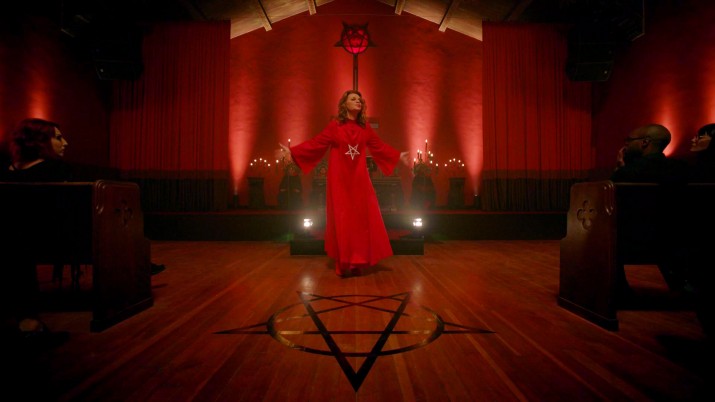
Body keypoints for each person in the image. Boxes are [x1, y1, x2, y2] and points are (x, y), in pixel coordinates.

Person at [278, 90, 409, 277]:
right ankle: (342, 261)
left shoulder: (365, 128)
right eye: (353, 99)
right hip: (340, 181)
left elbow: (379, 146)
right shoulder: (335, 126)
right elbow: (316, 143)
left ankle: (357, 261)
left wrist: (398, 156)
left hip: (359, 181)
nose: (358, 101)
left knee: (359, 222)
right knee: (342, 220)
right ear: (344, 104)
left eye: (359, 99)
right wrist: (293, 152)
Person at [609, 124, 689, 301]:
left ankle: (618, 291)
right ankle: (684, 287)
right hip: (680, 239)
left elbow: (610, 201)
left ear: (645, 142)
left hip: (631, 241)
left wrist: (619, 169)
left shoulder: (627, 173)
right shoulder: (683, 169)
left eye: (628, 141)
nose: (625, 145)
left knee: (602, 234)